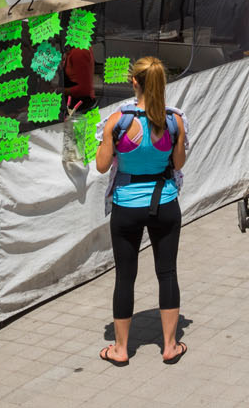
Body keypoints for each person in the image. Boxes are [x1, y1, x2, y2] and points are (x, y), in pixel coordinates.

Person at [94, 57, 190, 366]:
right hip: (165, 204)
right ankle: (170, 346)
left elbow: (101, 165)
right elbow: (177, 164)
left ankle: (121, 349)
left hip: (126, 206)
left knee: (125, 276)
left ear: (134, 82)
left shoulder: (117, 121)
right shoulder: (174, 121)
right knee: (167, 272)